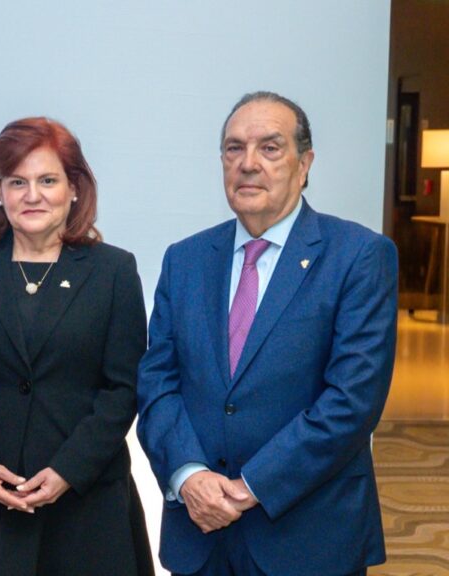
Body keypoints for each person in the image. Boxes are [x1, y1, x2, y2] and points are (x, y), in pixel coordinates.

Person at [136, 91, 397, 576]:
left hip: (308, 539)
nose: (248, 164)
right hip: (201, 533)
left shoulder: (358, 256)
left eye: (270, 148)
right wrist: (189, 476)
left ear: (305, 164)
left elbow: (352, 400)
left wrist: (249, 486)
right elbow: (157, 384)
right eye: (234, 149)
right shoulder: (185, 259)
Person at [0, 117, 154, 576]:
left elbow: (123, 389)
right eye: (17, 182)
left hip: (85, 505)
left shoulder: (114, 272)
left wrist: (69, 470)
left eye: (48, 180)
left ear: (74, 189)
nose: (32, 195)